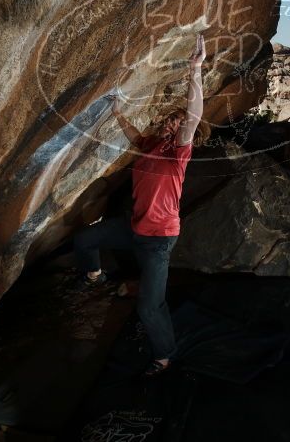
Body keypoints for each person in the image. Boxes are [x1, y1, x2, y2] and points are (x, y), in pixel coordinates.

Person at [73, 34, 209, 375]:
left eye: (176, 122)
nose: (172, 122)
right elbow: (133, 134)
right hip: (133, 228)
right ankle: (94, 275)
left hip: (158, 241)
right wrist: (116, 110)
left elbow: (193, 116)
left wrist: (196, 70)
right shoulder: (151, 143)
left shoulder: (179, 154)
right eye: (171, 119)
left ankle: (164, 355)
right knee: (84, 240)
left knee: (149, 307)